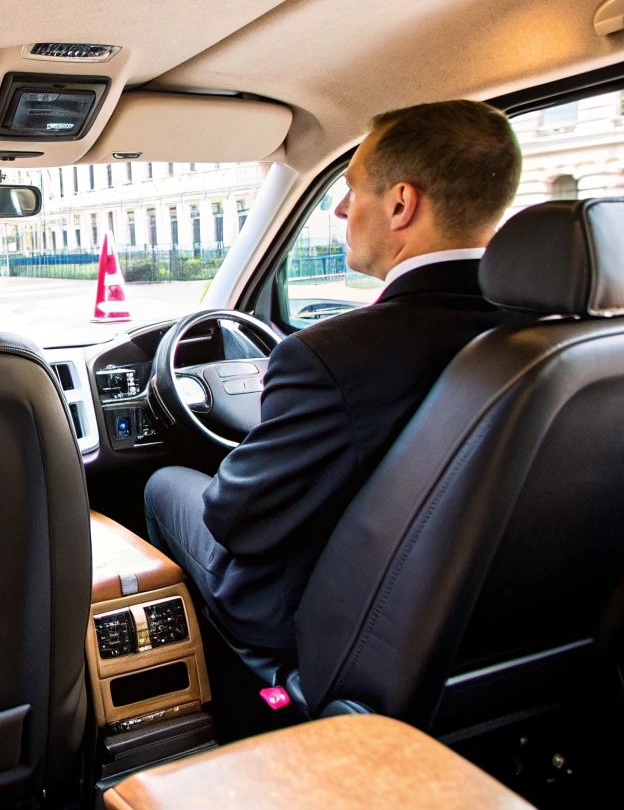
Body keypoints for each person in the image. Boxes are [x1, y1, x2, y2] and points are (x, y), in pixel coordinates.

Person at [143, 99, 526, 661]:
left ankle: (215, 693)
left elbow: (239, 519)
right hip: (488, 617)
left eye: (352, 188)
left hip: (319, 626)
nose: (343, 209)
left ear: (401, 203)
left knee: (163, 485)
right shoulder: (551, 337)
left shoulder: (332, 356)